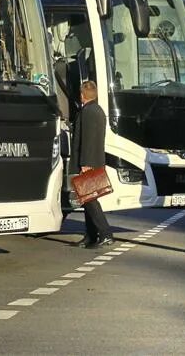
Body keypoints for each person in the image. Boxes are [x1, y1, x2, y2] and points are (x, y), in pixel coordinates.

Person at [71, 80, 114, 248]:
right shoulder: (98, 110)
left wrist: (85, 163)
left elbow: (87, 139)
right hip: (96, 160)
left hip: (89, 162)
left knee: (90, 201)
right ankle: (91, 235)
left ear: (82, 95)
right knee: (88, 199)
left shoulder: (88, 112)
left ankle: (105, 233)